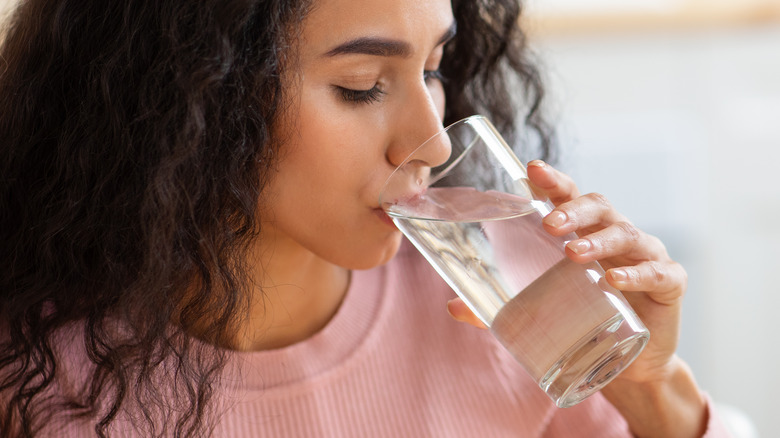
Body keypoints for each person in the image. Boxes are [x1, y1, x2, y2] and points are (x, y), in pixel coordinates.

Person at [0, 0, 730, 437]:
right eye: (360, 85)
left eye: (435, 69)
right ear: (194, 96)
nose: (436, 140)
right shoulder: (36, 377)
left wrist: (653, 393)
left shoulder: (513, 311)